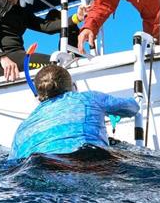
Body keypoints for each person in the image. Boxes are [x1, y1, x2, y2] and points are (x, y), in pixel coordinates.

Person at [10, 64, 139, 160]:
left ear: (38, 93)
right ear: (73, 87)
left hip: (41, 166)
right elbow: (132, 107)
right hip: (88, 161)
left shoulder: (22, 128)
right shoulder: (90, 98)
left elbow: (12, 164)